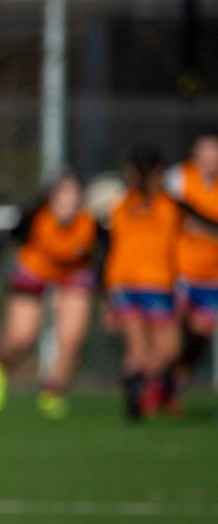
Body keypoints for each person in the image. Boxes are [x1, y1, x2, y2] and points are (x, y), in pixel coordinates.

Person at [0, 170, 97, 419]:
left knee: (72, 339)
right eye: (62, 196)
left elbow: (110, 254)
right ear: (51, 198)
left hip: (73, 277)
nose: (68, 203)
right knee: (21, 337)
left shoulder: (89, 223)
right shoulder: (33, 217)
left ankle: (52, 391)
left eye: (73, 197)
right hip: (33, 273)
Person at [102, 147, 182, 420]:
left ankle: (135, 380)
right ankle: (141, 382)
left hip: (122, 282)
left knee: (137, 350)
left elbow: (109, 247)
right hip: (155, 282)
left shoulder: (121, 203)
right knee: (169, 348)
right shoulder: (167, 204)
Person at [163, 128, 218, 399]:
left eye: (215, 152)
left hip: (212, 276)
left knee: (200, 334)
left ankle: (172, 385)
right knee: (171, 336)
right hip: (181, 272)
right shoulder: (178, 179)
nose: (211, 158)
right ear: (195, 154)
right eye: (206, 152)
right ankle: (158, 385)